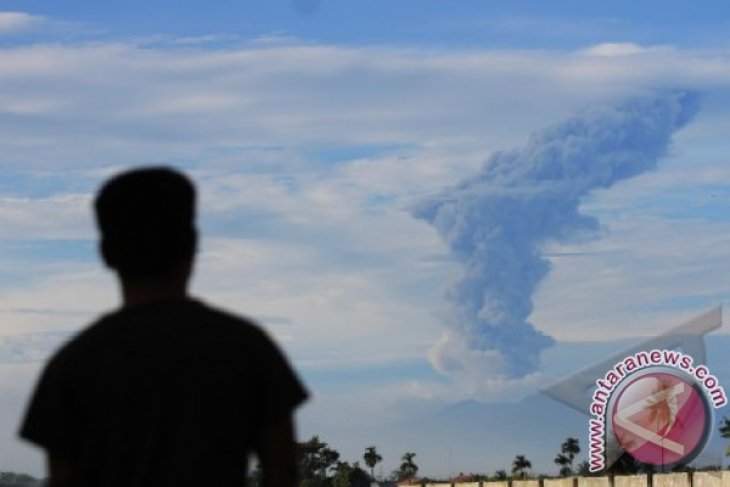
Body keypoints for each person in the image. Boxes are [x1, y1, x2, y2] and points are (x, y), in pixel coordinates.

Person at [19, 167, 308, 487]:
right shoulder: (247, 347)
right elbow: (282, 470)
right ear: (191, 243)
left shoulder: (71, 365)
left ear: (106, 253)